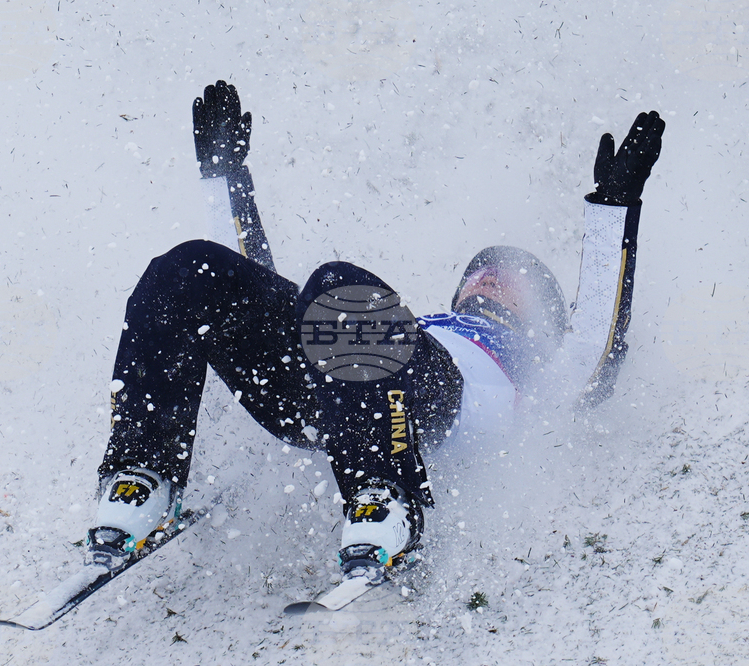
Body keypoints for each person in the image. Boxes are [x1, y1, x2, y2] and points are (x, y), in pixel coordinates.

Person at [87, 81, 665, 582]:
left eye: (513, 281)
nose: (490, 277)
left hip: (427, 412)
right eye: (480, 270)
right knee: (188, 269)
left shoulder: (535, 368)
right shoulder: (414, 324)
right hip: (323, 397)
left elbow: (597, 350)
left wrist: (613, 209)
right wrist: (225, 177)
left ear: (543, 321)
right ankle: (145, 473)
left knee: (336, 286)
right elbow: (257, 293)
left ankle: (385, 498)